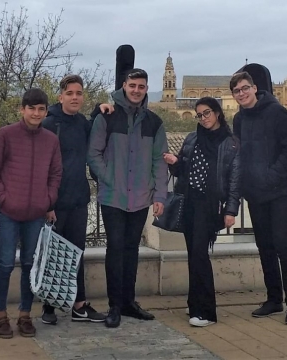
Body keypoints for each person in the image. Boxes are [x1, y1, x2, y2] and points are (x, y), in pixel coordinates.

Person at [87, 68, 168, 328]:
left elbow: (159, 160)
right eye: (132, 85)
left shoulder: (154, 123)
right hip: (113, 197)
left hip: (141, 198)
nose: (136, 90)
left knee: (132, 251)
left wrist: (160, 195)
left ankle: (128, 302)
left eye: (141, 86)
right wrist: (108, 177)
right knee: (115, 249)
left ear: (146, 88)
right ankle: (114, 305)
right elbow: (94, 154)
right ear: (124, 85)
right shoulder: (107, 118)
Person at [0, 88, 62, 338]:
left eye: (41, 109)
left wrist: (48, 200)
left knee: (30, 265)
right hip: (8, 212)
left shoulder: (51, 139)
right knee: (5, 264)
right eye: (31, 108)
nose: (36, 113)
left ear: (45, 111)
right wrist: (3, 199)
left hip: (36, 214)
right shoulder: (5, 135)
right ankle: (0, 316)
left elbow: (55, 174)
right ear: (22, 109)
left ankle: (25, 315)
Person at [230, 71, 287, 325]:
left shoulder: (276, 112)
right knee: (265, 247)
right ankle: (274, 300)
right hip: (257, 194)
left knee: (284, 246)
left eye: (244, 88)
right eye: (236, 91)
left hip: (282, 191)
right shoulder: (239, 119)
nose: (241, 94)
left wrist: (271, 177)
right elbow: (239, 154)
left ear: (254, 88)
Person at [41, 75, 113, 325]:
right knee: (52, 254)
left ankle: (79, 305)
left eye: (79, 93)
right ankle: (48, 307)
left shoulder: (82, 123)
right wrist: (48, 204)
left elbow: (95, 128)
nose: (74, 97)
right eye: (70, 93)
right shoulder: (49, 124)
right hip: (55, 203)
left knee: (76, 254)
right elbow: (41, 166)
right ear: (60, 96)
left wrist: (99, 109)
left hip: (79, 199)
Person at [163, 97, 240, 327]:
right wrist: (174, 162)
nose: (203, 118)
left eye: (207, 113)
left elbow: (234, 179)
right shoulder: (192, 138)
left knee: (199, 255)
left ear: (217, 113)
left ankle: (206, 312)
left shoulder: (230, 143)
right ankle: (194, 302)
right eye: (199, 114)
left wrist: (231, 210)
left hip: (210, 206)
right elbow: (183, 170)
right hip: (190, 203)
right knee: (193, 255)